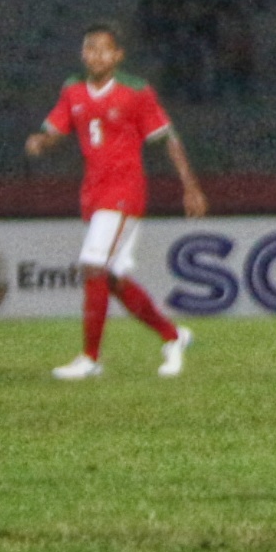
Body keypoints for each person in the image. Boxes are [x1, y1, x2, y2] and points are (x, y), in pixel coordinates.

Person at [24, 23, 207, 380]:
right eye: (90, 49)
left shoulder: (135, 91)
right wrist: (40, 142)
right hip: (93, 193)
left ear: (118, 55)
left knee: (92, 265)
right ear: (82, 53)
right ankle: (173, 337)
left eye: (104, 49)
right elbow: (55, 131)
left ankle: (90, 359)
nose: (96, 55)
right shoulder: (73, 90)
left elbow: (167, 138)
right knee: (112, 279)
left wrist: (191, 186)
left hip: (124, 192)